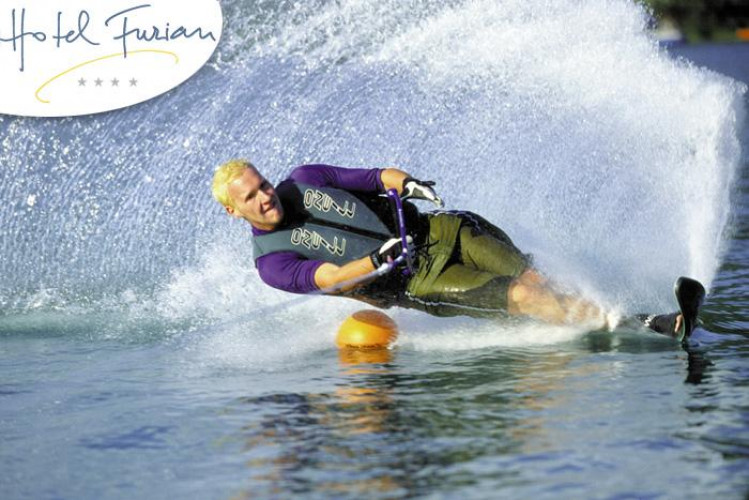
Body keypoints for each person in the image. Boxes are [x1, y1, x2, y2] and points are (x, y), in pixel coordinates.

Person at [211, 160, 689, 338]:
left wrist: (410, 184)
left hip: (442, 230)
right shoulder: (273, 263)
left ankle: (592, 313)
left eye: (263, 184)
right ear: (234, 211)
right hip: (418, 279)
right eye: (251, 197)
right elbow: (331, 278)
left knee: (534, 280)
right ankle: (644, 323)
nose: (266, 196)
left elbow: (375, 177)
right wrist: (375, 261)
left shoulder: (305, 178)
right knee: (524, 297)